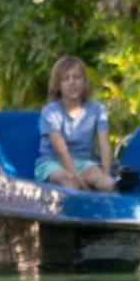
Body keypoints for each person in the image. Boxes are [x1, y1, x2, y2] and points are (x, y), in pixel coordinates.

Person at [36, 55, 116, 191]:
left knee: (106, 183)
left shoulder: (97, 109)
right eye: (66, 78)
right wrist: (82, 185)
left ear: (85, 82)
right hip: (54, 162)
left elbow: (104, 146)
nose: (72, 82)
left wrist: (106, 175)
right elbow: (61, 151)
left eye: (77, 77)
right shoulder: (50, 111)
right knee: (70, 181)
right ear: (58, 85)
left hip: (84, 162)